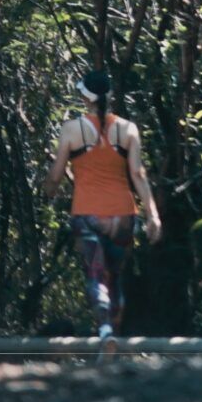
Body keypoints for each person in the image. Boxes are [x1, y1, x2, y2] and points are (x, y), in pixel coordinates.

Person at [44, 69, 163, 360]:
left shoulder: (72, 130)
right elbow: (138, 173)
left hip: (87, 213)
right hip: (123, 215)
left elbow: (57, 175)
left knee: (96, 275)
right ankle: (113, 341)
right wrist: (152, 214)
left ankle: (106, 331)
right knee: (115, 278)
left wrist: (48, 188)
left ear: (84, 96)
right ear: (109, 95)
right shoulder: (128, 129)